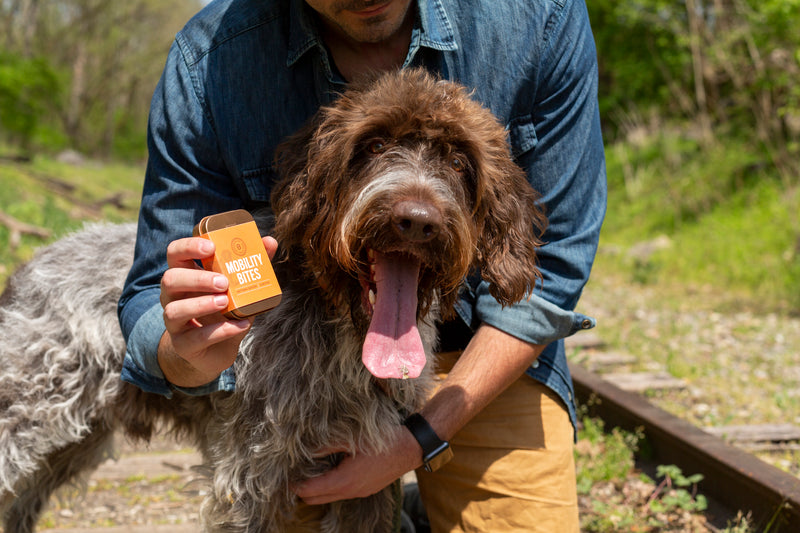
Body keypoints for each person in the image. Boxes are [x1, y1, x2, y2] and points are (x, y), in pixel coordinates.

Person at [117, 0, 607, 531]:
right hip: (302, 355)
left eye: (457, 162)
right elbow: (149, 296)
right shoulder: (208, 60)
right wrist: (189, 355)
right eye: (374, 148)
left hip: (489, 349)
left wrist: (418, 437)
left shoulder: (539, 17)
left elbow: (552, 266)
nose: (416, 211)